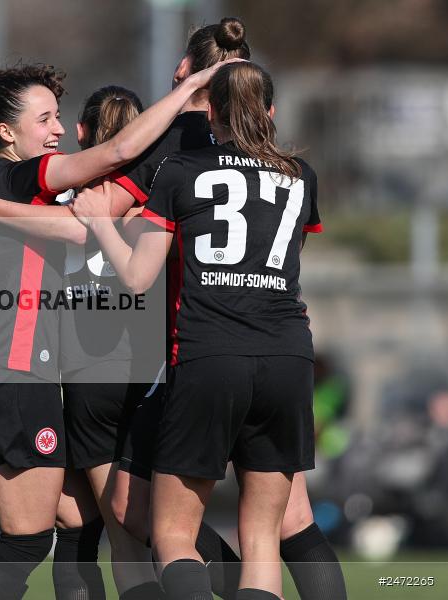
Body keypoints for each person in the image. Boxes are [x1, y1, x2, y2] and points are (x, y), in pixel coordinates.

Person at [0, 59, 233, 600]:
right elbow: (119, 153)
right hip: (15, 377)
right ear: (7, 133)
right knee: (26, 541)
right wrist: (191, 92)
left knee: (78, 518)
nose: (57, 130)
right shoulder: (20, 179)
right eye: (45, 119)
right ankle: (244, 582)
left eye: (59, 117)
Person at [72, 61, 341, 600]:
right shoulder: (300, 176)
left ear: (210, 112)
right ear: (270, 112)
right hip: (288, 356)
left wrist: (99, 222)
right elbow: (286, 261)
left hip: (210, 356)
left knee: (172, 535)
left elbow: (138, 274)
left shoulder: (179, 170)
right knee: (263, 536)